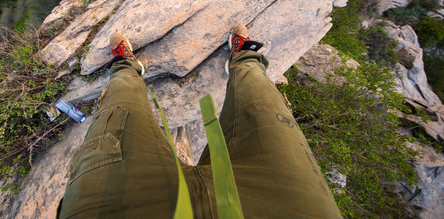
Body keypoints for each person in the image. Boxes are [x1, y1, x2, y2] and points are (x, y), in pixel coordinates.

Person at [57, 24, 342, 218]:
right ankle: (244, 57)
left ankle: (124, 67)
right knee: (260, 91)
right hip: (283, 204)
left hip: (120, 205)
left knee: (120, 96)